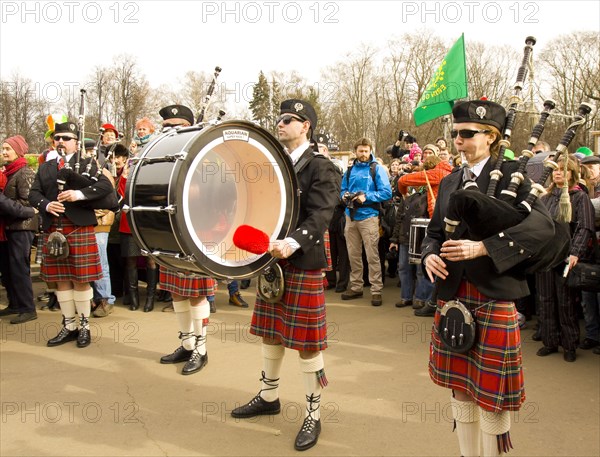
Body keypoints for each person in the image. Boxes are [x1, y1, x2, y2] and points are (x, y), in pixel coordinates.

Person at [421, 100, 560, 456]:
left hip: (494, 293)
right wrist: (429, 255)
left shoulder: (516, 174)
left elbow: (542, 228)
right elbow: (434, 232)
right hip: (452, 293)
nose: (458, 141)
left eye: (467, 134)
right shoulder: (451, 179)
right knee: (461, 388)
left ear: (491, 136)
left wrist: (484, 248)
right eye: (454, 134)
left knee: (491, 396)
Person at [231, 100, 338, 451]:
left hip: (301, 259)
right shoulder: (274, 164)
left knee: (307, 345)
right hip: (271, 261)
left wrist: (293, 242)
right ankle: (268, 395)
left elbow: (322, 214)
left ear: (305, 125)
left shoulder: (322, 166)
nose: (280, 124)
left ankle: (313, 414)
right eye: (278, 119)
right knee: (271, 335)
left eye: (287, 119)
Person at [29, 121, 114, 348]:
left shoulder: (87, 162)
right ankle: (69, 325)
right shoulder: (46, 167)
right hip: (53, 228)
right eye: (57, 138)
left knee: (81, 280)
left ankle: (84, 326)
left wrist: (78, 194)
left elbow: (107, 188)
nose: (61, 142)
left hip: (78, 227)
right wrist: (46, 205)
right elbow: (33, 193)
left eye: (66, 138)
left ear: (76, 143)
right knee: (61, 280)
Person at [535, 155, 595, 362]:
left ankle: (569, 345)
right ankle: (550, 341)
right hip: (546, 256)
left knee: (565, 301)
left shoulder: (579, 197)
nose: (557, 173)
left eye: (563, 169)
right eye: (555, 170)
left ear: (572, 173)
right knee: (545, 299)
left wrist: (575, 252)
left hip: (566, 256)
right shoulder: (546, 197)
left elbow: (585, 227)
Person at [393, 154, 452, 314]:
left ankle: (428, 301)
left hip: (435, 221)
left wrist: (404, 193)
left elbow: (402, 181)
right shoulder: (453, 172)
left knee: (428, 262)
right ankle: (430, 299)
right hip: (450, 222)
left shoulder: (435, 174)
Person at [340, 138, 392, 306]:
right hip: (350, 216)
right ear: (355, 151)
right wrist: (344, 195)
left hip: (369, 216)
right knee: (353, 255)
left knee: (372, 256)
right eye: (360, 151)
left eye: (366, 151)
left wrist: (366, 197)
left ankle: (376, 290)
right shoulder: (349, 170)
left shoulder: (376, 169)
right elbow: (342, 189)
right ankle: (356, 287)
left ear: (370, 151)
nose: (363, 154)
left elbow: (386, 192)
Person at [0, 136, 38, 324]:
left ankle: (28, 308)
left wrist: (6, 206)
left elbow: (28, 203)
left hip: (22, 227)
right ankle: (14, 304)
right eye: (3, 148)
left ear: (18, 151)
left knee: (19, 268)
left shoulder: (24, 173)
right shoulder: (9, 173)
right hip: (10, 226)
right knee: (8, 269)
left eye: (8, 148)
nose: (4, 151)